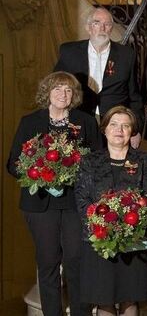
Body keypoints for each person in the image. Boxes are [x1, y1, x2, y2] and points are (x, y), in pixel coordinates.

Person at [6, 71, 101, 316]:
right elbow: (13, 163)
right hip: (40, 205)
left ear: (75, 95)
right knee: (48, 263)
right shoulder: (30, 122)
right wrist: (39, 176)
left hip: (74, 204)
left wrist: (75, 175)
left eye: (68, 90)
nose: (63, 94)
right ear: (47, 92)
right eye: (58, 89)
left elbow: (98, 162)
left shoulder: (86, 122)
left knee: (75, 261)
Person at [74, 106, 147, 316]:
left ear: (132, 131)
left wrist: (130, 227)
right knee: (104, 301)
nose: (119, 130)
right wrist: (102, 228)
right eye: (114, 125)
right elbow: (82, 200)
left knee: (130, 300)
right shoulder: (89, 161)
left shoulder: (144, 161)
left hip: (134, 242)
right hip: (99, 242)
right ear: (104, 129)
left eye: (125, 126)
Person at [54, 7, 144, 148]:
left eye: (107, 24)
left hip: (114, 127)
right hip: (78, 122)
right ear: (88, 27)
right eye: (97, 23)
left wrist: (135, 130)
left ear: (111, 28)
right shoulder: (69, 52)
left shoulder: (127, 55)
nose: (102, 28)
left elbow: (135, 96)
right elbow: (55, 89)